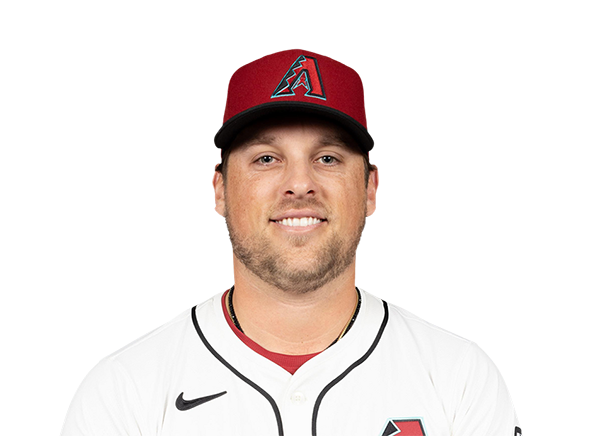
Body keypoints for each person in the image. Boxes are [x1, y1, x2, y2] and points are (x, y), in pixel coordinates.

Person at [61, 49, 522, 436]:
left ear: (370, 191)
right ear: (219, 191)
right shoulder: (124, 391)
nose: (299, 184)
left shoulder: (459, 378)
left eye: (327, 157)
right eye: (266, 158)